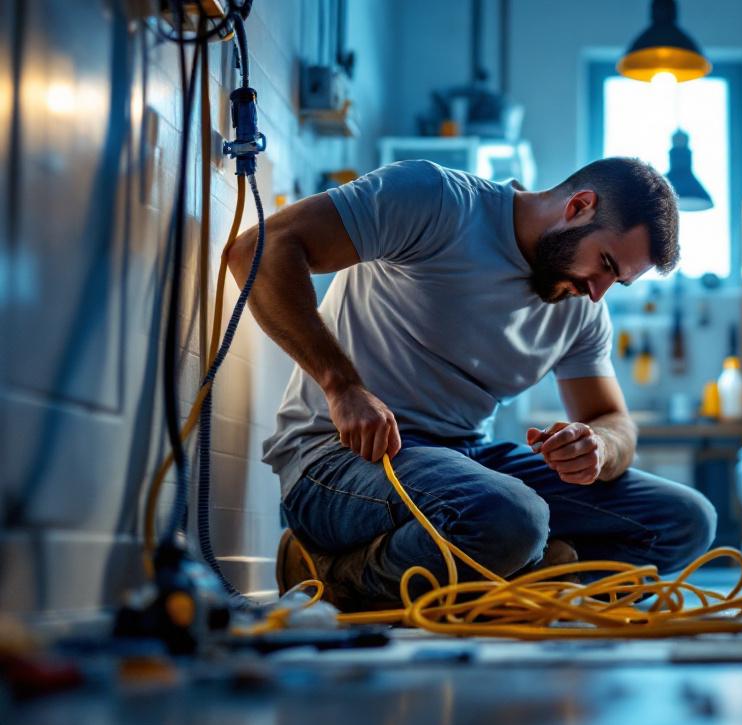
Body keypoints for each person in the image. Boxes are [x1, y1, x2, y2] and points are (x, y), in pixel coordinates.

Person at [224, 157, 716, 610]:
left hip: (460, 460)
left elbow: (613, 421)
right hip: (336, 460)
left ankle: (521, 582)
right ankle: (334, 575)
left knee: (685, 521)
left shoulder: (582, 311)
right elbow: (256, 252)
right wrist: (341, 386)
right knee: (512, 521)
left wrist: (600, 447)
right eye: (606, 264)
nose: (597, 293)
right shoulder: (435, 202)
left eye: (617, 282)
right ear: (578, 207)